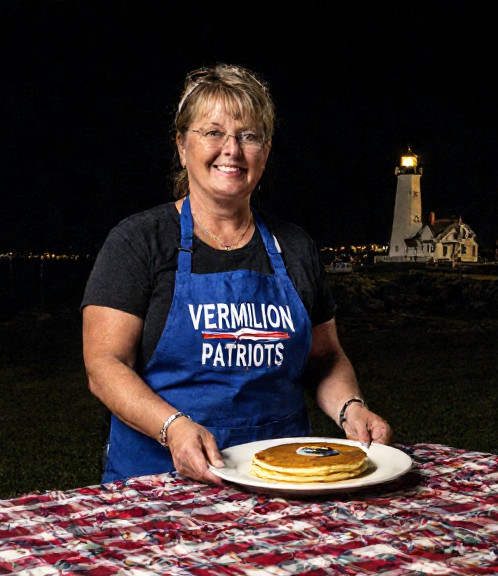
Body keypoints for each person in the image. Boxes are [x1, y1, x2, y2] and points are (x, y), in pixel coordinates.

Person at [81, 62, 393, 485]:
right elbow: (104, 365)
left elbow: (325, 358)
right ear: (181, 145)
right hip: (158, 482)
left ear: (265, 151)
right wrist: (173, 428)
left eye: (249, 136)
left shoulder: (295, 246)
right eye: (212, 133)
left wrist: (350, 407)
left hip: (281, 480)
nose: (232, 149)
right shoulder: (139, 241)